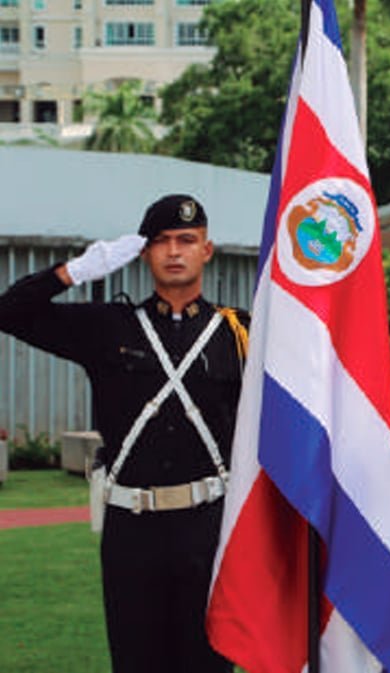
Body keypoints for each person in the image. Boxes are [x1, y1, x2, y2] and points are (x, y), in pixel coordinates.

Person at [0, 194, 247, 673]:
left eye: (186, 241)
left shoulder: (238, 333)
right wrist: (74, 271)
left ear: (207, 251)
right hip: (132, 529)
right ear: (143, 253)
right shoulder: (107, 326)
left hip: (210, 527)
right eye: (160, 242)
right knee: (136, 662)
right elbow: (9, 312)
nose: (174, 251)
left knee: (209, 663)